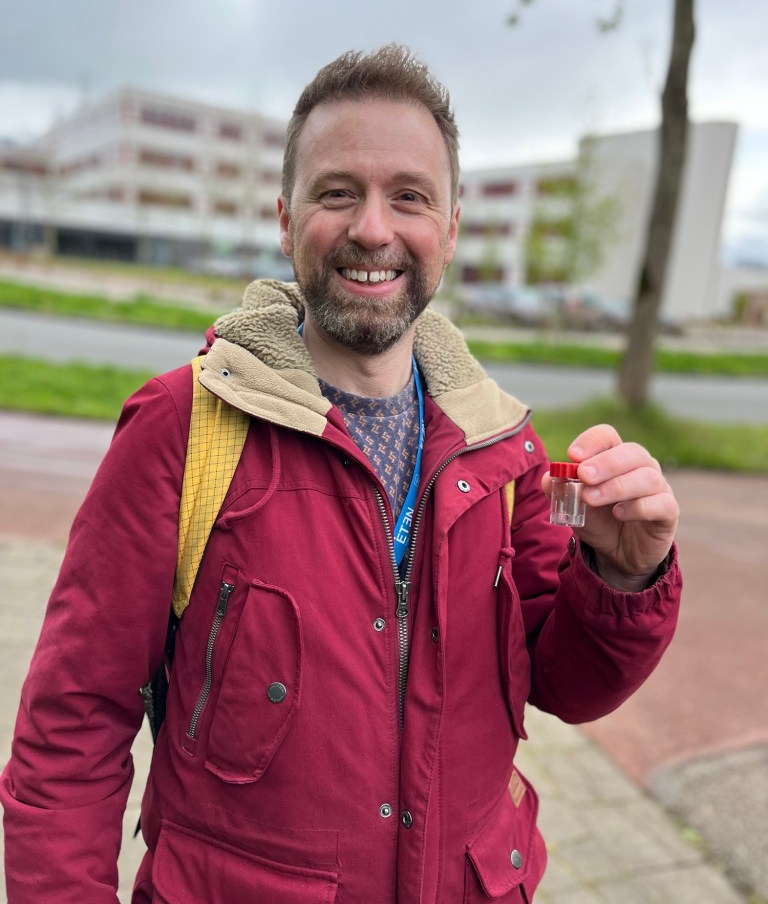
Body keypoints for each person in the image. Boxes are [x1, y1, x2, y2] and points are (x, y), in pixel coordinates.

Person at [1, 45, 681, 903]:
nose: (372, 229)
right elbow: (71, 729)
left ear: (451, 229)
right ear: (286, 222)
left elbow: (567, 684)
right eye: (337, 193)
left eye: (409, 197)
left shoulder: (500, 447)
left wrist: (622, 575)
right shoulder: (183, 428)